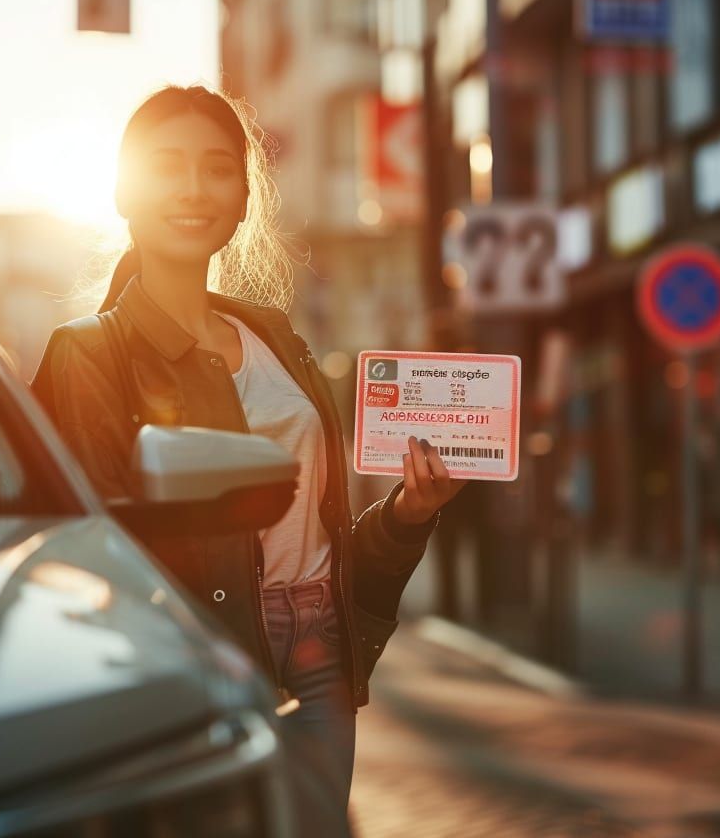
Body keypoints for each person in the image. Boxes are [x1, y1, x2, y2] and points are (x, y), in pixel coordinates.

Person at [30, 84, 465, 815]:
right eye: (167, 166)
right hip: (189, 657)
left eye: (218, 168)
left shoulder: (278, 340)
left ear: (243, 198)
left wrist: (410, 511)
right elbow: (90, 549)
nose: (194, 189)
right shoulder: (88, 354)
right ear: (123, 191)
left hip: (321, 648)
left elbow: (325, 547)